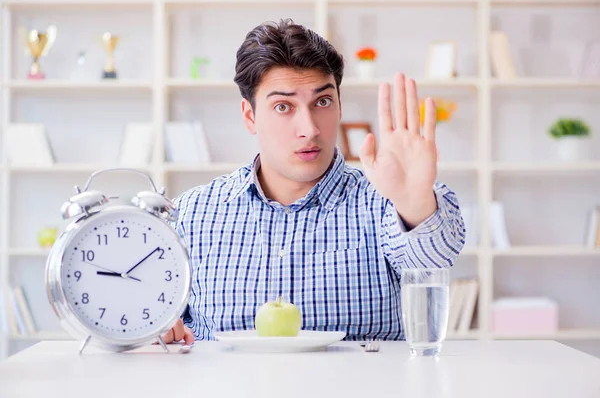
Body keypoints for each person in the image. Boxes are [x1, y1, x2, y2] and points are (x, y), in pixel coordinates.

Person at [160, 19, 465, 346]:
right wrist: (159, 336)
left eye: (322, 102)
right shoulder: (191, 214)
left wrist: (415, 201)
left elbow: (434, 261)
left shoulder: (383, 200)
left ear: (339, 106)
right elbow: (158, 324)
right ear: (249, 116)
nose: (309, 129)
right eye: (282, 106)